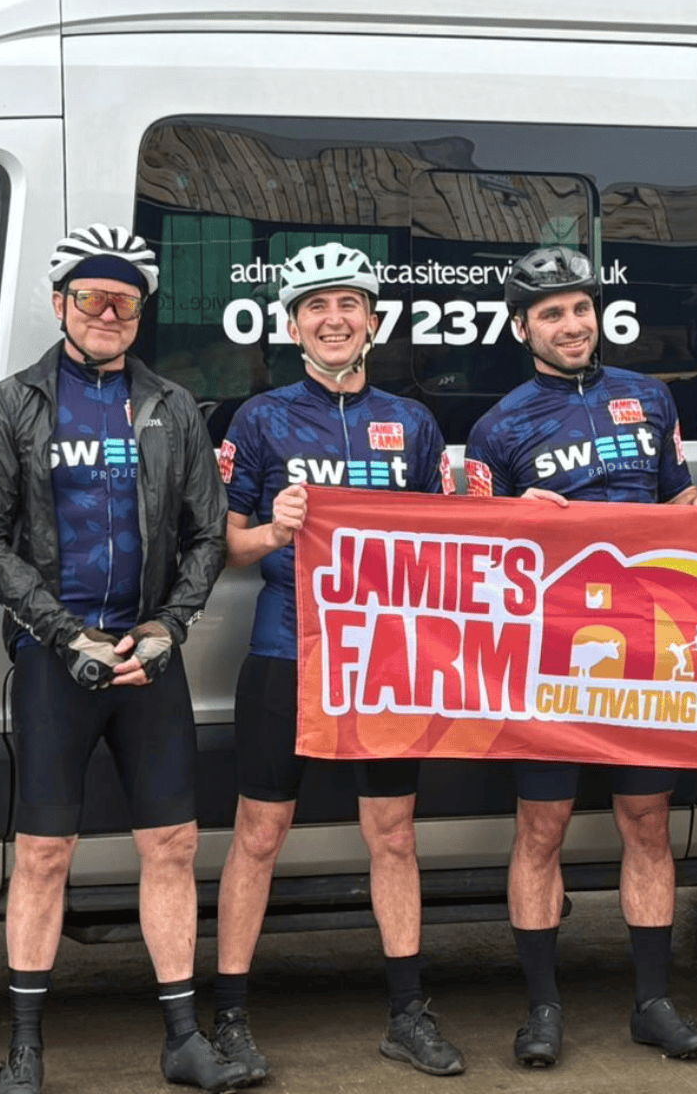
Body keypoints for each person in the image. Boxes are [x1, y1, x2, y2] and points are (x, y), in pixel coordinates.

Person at [0, 225, 236, 1094]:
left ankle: (185, 1039)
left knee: (172, 842)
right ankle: (27, 1050)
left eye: (124, 300)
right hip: (57, 659)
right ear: (60, 304)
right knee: (44, 853)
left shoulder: (173, 406)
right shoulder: (10, 405)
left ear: (139, 313)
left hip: (149, 652)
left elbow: (206, 534)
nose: (108, 312)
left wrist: (167, 628)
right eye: (92, 296)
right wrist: (62, 632)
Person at [465, 244, 697, 1067]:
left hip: (645, 653)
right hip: (549, 657)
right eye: (551, 313)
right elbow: (467, 543)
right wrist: (511, 512)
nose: (571, 324)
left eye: (580, 309)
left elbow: (671, 502)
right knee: (539, 828)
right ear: (522, 328)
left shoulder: (648, 399)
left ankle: (652, 1001)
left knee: (647, 822)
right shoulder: (496, 425)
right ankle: (543, 1010)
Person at [213, 242, 465, 1079]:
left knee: (392, 834)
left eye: (349, 304)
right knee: (259, 833)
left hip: (382, 659)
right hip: (286, 650)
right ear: (292, 326)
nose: (334, 319)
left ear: (373, 321)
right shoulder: (258, 420)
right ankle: (229, 1019)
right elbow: (227, 549)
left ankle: (407, 1013)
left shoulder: (415, 421)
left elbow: (446, 540)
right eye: (317, 306)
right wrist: (272, 529)